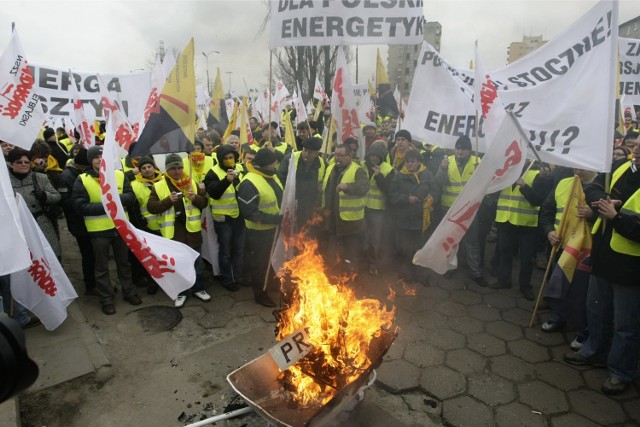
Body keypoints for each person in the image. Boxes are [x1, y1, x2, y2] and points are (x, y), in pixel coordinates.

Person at [564, 139, 640, 395]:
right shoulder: (622, 166)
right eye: (636, 144)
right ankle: (593, 352)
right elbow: (594, 187)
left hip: (631, 268)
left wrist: (617, 217)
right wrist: (604, 202)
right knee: (596, 310)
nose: (635, 149)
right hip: (604, 255)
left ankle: (620, 372)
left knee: (626, 325)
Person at [72, 146, 142, 315]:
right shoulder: (82, 179)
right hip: (98, 231)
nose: (99, 160)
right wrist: (107, 205)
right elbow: (79, 206)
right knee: (101, 266)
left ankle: (129, 292)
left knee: (124, 263)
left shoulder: (119, 175)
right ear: (91, 160)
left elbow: (131, 196)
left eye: (102, 156)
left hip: (120, 228)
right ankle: (106, 298)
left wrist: (114, 200)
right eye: (95, 157)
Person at [538, 168, 598, 349]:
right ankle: (558, 317)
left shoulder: (602, 187)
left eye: (583, 165)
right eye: (576, 165)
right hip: (562, 247)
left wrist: (593, 214)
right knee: (559, 284)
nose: (578, 169)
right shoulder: (564, 183)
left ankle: (583, 331)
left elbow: (610, 220)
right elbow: (546, 212)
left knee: (583, 293)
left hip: (587, 252)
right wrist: (549, 232)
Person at [147, 153, 211, 307]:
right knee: (178, 265)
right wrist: (168, 201)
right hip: (174, 234)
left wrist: (195, 198)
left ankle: (198, 288)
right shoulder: (159, 186)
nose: (177, 171)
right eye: (173, 168)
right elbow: (152, 208)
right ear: (167, 170)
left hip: (192, 232)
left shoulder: (192, 183)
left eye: (179, 167)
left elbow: (204, 203)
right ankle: (181, 293)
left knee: (197, 263)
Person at [490, 162, 553, 300]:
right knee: (504, 252)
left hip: (526, 224)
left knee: (526, 258)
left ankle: (525, 286)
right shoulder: (504, 173)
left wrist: (524, 186)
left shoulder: (536, 175)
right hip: (506, 221)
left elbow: (538, 200)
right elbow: (492, 193)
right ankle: (504, 280)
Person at [435, 135, 485, 286]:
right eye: (458, 148)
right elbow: (439, 182)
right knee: (450, 241)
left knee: (472, 242)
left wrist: (480, 173)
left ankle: (475, 272)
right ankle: (450, 267)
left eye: (463, 149)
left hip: (469, 210)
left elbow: (485, 186)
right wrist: (443, 168)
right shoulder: (447, 161)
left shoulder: (478, 162)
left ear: (470, 150)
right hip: (449, 209)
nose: (460, 151)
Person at [237, 148, 283, 307]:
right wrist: (275, 219)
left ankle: (271, 284)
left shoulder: (272, 176)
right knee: (260, 264)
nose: (276, 165)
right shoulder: (249, 183)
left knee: (273, 260)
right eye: (273, 163)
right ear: (265, 165)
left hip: (274, 230)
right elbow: (250, 213)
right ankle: (260, 293)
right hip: (258, 233)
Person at [389, 150, 436, 285]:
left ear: (418, 162)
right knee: (406, 249)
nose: (410, 164)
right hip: (404, 220)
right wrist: (406, 199)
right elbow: (392, 195)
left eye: (413, 161)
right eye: (407, 161)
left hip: (422, 220)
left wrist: (431, 198)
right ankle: (406, 275)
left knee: (421, 248)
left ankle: (422, 276)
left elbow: (435, 189)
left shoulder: (427, 175)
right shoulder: (399, 176)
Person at [321, 144, 369, 274]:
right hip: (332, 221)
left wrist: (348, 187)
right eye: (335, 154)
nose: (337, 158)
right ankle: (334, 277)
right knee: (333, 253)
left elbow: (364, 187)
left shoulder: (358, 170)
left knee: (351, 254)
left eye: (341, 155)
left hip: (351, 223)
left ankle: (351, 279)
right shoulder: (330, 168)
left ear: (349, 156)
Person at [204, 145, 245, 292]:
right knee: (226, 251)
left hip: (239, 217)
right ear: (220, 160)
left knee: (239, 249)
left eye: (231, 158)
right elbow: (214, 193)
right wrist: (226, 180)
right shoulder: (212, 173)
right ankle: (227, 279)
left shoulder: (240, 168)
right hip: (223, 219)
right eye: (226, 158)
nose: (229, 161)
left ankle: (239, 277)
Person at [9, 147, 62, 258]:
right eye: (19, 162)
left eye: (27, 162)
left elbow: (57, 196)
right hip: (18, 226)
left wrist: (44, 196)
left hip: (41, 222)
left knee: (50, 257)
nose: (24, 164)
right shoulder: (5, 182)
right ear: (11, 164)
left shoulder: (40, 177)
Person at [58, 148, 97, 296]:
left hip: (90, 221)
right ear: (81, 165)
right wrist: (82, 204)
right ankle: (90, 285)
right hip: (78, 222)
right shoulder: (66, 176)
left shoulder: (81, 172)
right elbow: (64, 201)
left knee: (94, 254)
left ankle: (96, 283)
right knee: (88, 255)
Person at [130, 156, 163, 294]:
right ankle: (153, 282)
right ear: (140, 171)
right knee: (151, 257)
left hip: (167, 225)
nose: (147, 170)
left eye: (149, 166)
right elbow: (134, 208)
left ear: (154, 167)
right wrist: (142, 225)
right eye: (144, 168)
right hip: (148, 227)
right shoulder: (134, 185)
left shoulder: (164, 181)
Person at [277, 136, 325, 227]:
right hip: (291, 202)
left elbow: (320, 184)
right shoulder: (290, 159)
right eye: (305, 150)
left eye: (310, 152)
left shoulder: (321, 164)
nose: (306, 154)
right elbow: (280, 178)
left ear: (316, 153)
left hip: (309, 204)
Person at [363, 140, 394, 276]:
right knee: (362, 236)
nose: (374, 158)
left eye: (377, 156)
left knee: (375, 239)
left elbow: (389, 189)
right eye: (372, 155)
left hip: (378, 210)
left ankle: (373, 263)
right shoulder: (362, 166)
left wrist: (379, 176)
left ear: (381, 156)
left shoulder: (388, 169)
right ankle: (360, 261)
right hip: (362, 208)